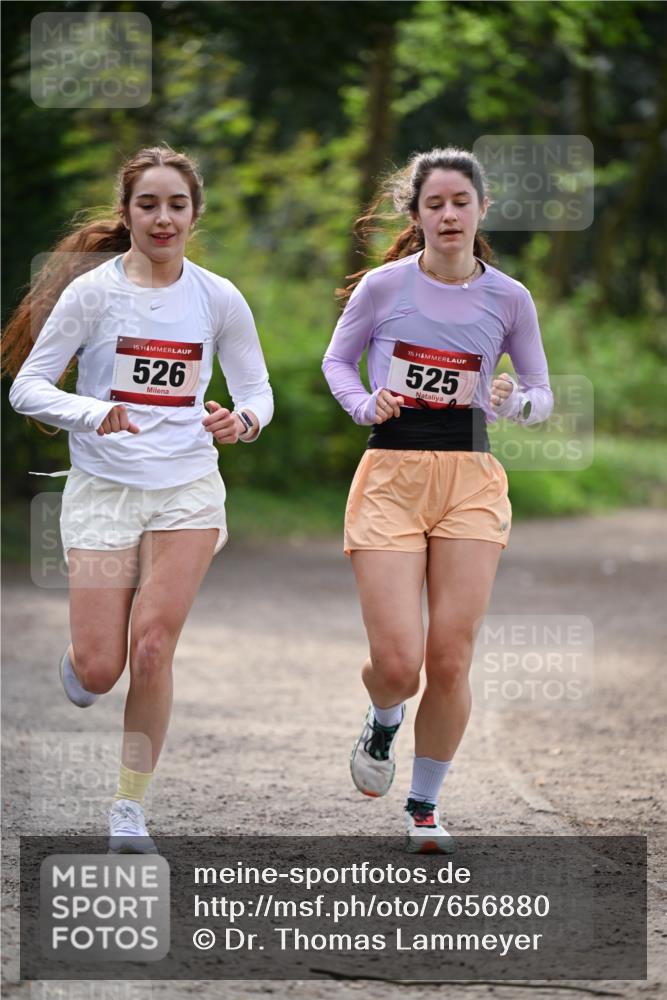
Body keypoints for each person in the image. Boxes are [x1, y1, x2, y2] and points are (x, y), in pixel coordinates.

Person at [4, 144, 273, 852]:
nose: (162, 218)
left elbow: (255, 390)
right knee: (103, 666)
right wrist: (94, 413)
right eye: (147, 204)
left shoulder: (217, 297)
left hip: (185, 487)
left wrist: (239, 421)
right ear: (126, 214)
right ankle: (83, 662)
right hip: (103, 489)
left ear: (194, 213)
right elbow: (27, 386)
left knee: (153, 648)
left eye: (176, 205)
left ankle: (128, 809)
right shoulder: (93, 294)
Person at [322, 146, 553, 853]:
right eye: (434, 203)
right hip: (390, 475)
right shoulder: (383, 287)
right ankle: (383, 717)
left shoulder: (509, 297)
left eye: (460, 201)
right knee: (398, 663)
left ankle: (423, 806)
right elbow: (337, 360)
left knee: (450, 656)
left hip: (470, 479)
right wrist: (364, 404)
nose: (447, 214)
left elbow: (542, 397)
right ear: (415, 214)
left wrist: (516, 402)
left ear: (481, 209)